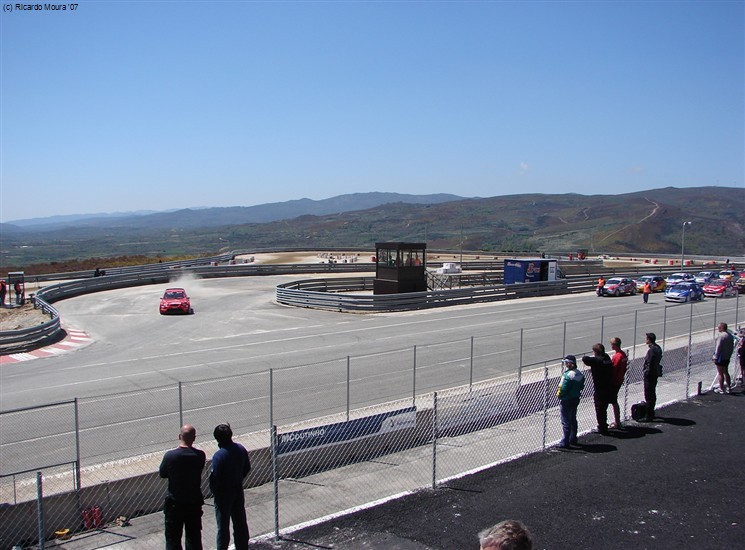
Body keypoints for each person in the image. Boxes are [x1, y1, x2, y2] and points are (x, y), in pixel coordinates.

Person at [159, 425, 206, 550]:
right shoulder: (200, 456)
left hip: (175, 503)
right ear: (194, 438)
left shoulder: (170, 456)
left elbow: (163, 473)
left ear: (179, 437)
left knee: (172, 538)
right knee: (194, 537)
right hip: (193, 502)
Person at [210, 423, 251, 550]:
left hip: (223, 494)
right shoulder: (240, 449)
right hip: (237, 489)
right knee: (240, 523)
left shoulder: (219, 456)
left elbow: (215, 477)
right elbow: (247, 468)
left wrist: (216, 491)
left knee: (223, 527)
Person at [582, 343, 613, 434]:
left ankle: (602, 427)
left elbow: (585, 359)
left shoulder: (598, 361)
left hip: (600, 388)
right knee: (604, 407)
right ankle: (603, 425)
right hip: (608, 385)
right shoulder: (606, 358)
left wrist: (593, 357)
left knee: (600, 408)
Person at [556, 355, 585, 448]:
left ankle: (565, 441)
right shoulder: (579, 374)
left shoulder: (567, 375)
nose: (565, 364)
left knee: (566, 421)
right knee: (573, 418)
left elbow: (562, 387)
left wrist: (559, 395)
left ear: (570, 364)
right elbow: (581, 386)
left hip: (567, 399)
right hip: (575, 398)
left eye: (566, 362)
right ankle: (573, 438)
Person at [642, 332, 663, 421]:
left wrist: (646, 372)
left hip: (650, 374)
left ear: (649, 339)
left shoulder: (652, 350)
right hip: (655, 373)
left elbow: (649, 363)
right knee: (652, 393)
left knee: (649, 394)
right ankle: (651, 412)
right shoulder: (658, 348)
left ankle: (649, 415)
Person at [608, 337, 628, 428]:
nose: (611, 346)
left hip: (614, 381)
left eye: (612, 344)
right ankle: (617, 421)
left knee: (613, 400)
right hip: (620, 379)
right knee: (613, 400)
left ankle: (617, 422)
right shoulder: (623, 355)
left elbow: (613, 369)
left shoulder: (617, 356)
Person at [713, 322, 735, 394]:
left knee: (720, 373)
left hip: (720, 357)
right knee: (726, 372)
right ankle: (729, 387)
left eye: (719, 327)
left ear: (722, 328)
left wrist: (715, 356)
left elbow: (718, 347)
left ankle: (721, 388)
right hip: (727, 357)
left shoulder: (721, 336)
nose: (718, 329)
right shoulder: (730, 336)